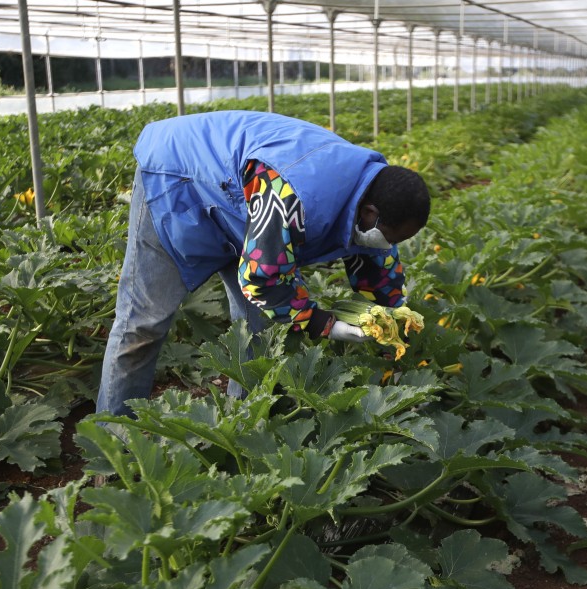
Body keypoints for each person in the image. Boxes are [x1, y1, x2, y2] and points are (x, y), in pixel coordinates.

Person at [95, 110, 431, 419]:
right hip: (176, 174)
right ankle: (111, 443)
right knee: (144, 322)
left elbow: (378, 268)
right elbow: (262, 280)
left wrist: (393, 334)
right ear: (370, 213)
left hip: (238, 190)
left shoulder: (374, 194)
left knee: (258, 326)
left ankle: (244, 419)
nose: (388, 245)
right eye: (387, 236)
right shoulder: (296, 198)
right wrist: (322, 323)